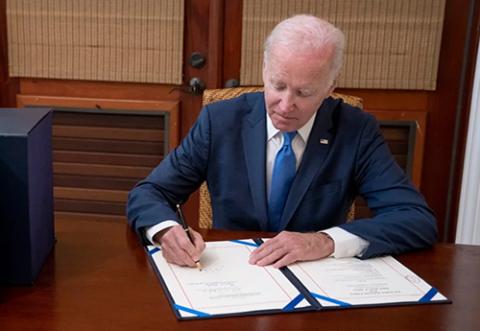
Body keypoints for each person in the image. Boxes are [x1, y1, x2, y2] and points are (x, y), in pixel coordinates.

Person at [127, 15, 437, 269]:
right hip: (234, 275)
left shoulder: (356, 130)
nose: (285, 105)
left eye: (304, 93)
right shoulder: (219, 121)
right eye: (277, 85)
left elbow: (415, 220)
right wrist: (165, 231)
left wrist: (323, 241)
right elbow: (150, 192)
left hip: (316, 279)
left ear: (330, 86)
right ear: (264, 70)